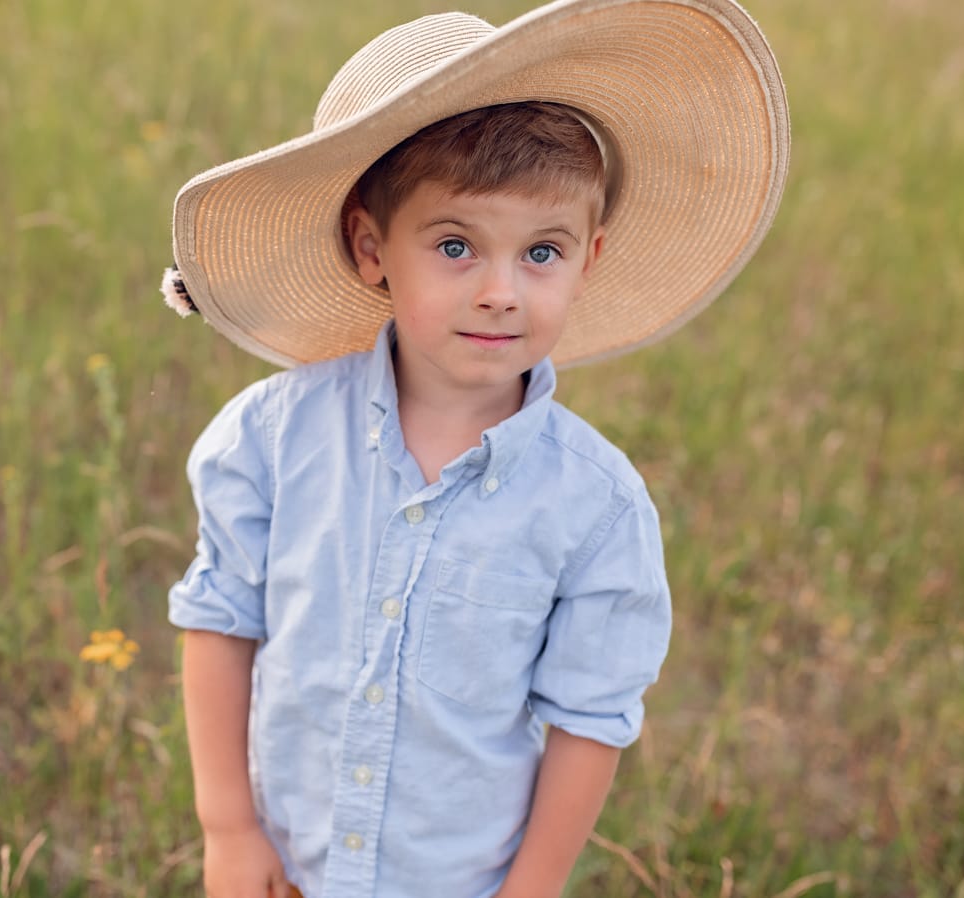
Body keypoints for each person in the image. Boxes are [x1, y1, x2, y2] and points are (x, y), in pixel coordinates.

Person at [161, 1, 789, 896]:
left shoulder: (596, 508)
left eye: (542, 252)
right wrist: (228, 828)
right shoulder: (273, 438)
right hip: (288, 866)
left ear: (590, 257)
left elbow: (587, 718)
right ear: (372, 248)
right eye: (456, 245)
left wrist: (528, 890)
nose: (501, 292)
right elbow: (223, 619)